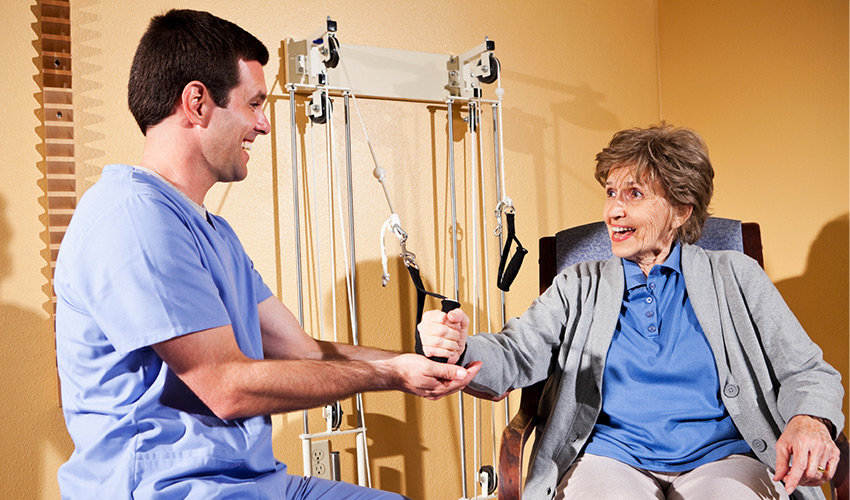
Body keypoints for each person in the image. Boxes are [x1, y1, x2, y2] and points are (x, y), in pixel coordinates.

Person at [54, 9, 480, 500]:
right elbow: (227, 388)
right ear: (197, 103)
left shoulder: (214, 232)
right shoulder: (133, 218)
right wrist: (386, 374)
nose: (264, 125)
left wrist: (408, 366)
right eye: (254, 104)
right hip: (173, 489)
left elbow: (304, 350)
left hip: (253, 482)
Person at [419, 124, 844, 500]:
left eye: (634, 194)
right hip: (608, 458)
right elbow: (516, 354)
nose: (613, 211)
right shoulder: (578, 284)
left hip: (724, 458)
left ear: (681, 210)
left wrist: (809, 419)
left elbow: (807, 370)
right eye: (610, 193)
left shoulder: (736, 275)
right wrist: (459, 347)